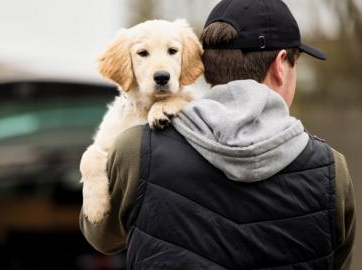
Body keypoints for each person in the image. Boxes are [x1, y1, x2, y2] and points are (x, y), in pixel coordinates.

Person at [80, 0, 356, 269]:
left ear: (204, 65)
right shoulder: (332, 168)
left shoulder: (135, 148)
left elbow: (102, 237)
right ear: (281, 65)